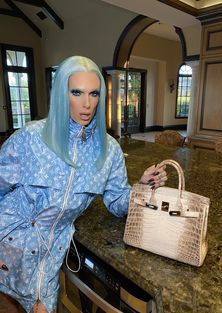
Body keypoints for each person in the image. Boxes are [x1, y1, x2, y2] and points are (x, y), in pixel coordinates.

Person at [0, 56, 167, 313]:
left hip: (50, 251)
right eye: (76, 92)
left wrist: (141, 188)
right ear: (60, 95)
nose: (86, 104)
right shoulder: (30, 137)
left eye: (94, 93)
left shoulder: (109, 151)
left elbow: (116, 202)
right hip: (7, 241)